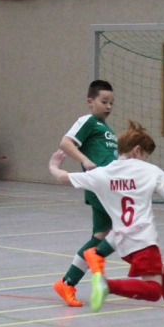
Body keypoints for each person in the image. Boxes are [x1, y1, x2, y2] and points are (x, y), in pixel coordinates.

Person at [48, 120, 164, 327]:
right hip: (144, 241)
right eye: (145, 155)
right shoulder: (149, 171)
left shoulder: (103, 173)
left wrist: (53, 166)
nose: (145, 160)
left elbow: (62, 178)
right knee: (153, 291)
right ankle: (106, 286)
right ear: (137, 150)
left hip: (123, 244)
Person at [52, 80, 119, 307]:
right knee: (125, 227)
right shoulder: (88, 121)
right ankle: (95, 262)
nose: (108, 106)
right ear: (90, 102)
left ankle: (67, 283)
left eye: (111, 103)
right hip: (100, 187)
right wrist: (85, 160)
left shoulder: (106, 129)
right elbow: (66, 143)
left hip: (109, 187)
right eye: (104, 101)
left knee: (101, 235)